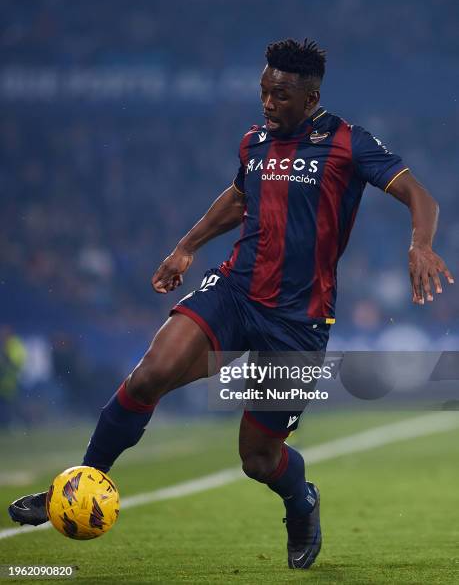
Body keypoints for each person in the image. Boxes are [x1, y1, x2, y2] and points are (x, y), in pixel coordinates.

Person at [8, 38, 454, 570]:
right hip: (236, 291)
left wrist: (420, 243)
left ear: (310, 97)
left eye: (281, 95)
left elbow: (419, 196)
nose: (268, 103)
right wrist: (186, 247)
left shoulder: (347, 143)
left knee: (258, 458)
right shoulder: (254, 142)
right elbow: (240, 197)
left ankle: (300, 500)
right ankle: (78, 484)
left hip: (298, 324)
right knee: (150, 374)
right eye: (264, 91)